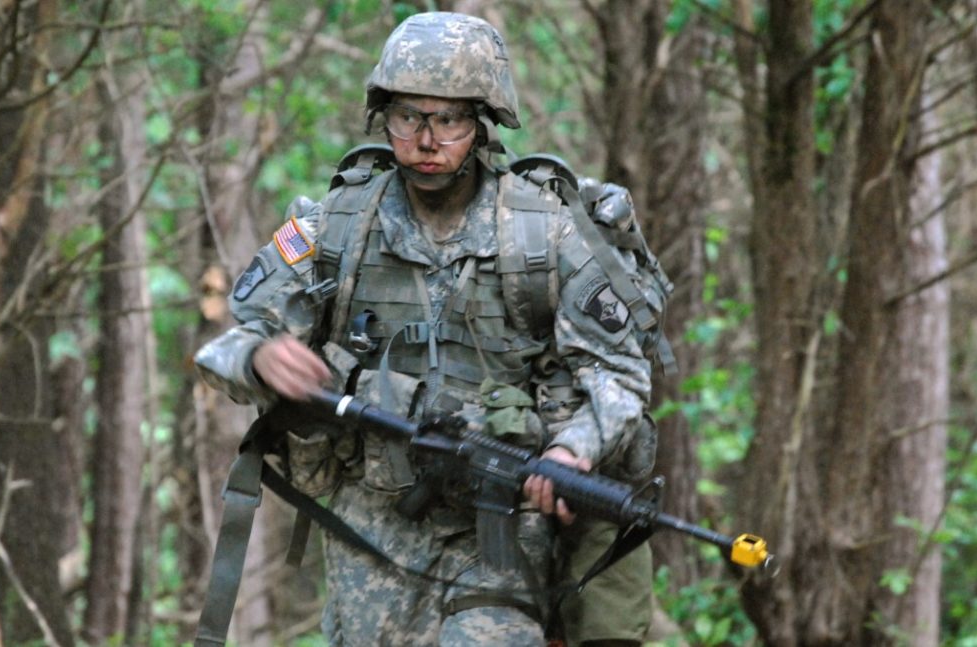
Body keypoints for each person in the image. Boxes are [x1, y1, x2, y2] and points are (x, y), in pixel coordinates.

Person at [195, 11, 659, 646]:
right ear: (383, 116)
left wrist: (571, 449)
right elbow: (228, 343)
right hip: (371, 520)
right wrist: (259, 358)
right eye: (408, 116)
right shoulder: (336, 226)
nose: (426, 140)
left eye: (449, 120)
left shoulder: (545, 234)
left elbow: (619, 375)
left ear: (482, 121)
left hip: (499, 523)